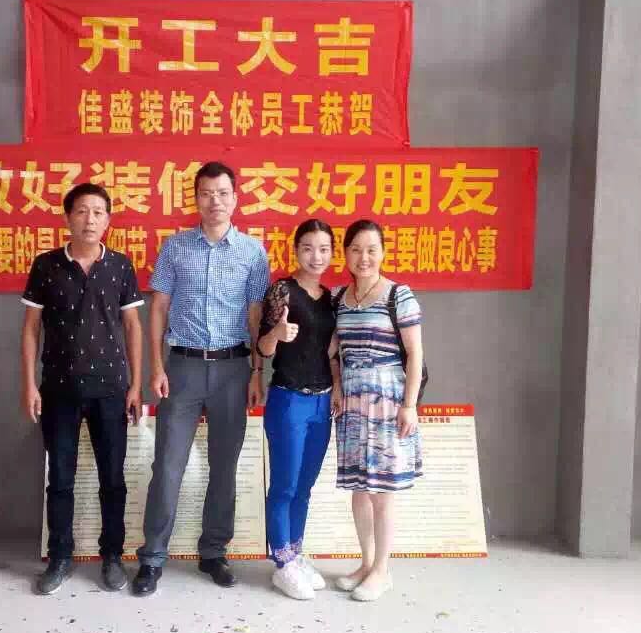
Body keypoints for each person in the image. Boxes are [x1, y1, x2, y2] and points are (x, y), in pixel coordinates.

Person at [132, 161, 270, 597]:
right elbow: (158, 308)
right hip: (183, 368)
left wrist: (256, 371)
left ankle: (213, 552)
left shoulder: (253, 252)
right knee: (167, 465)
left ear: (236, 198)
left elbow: (256, 316)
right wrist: (157, 367)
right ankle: (152, 557)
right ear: (195, 198)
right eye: (207, 193)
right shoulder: (175, 248)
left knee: (224, 466)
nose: (215, 201)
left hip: (233, 369)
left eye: (223, 193)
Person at [21, 182, 144, 595]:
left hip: (111, 389)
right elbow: (31, 329)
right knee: (60, 479)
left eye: (98, 212)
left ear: (108, 220)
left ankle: (112, 557)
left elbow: (133, 327)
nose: (90, 219)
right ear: (68, 217)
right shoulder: (46, 265)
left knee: (113, 479)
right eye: (82, 211)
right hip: (58, 388)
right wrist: (29, 385)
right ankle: (60, 556)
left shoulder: (120, 266)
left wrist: (135, 385)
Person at [331, 219, 425, 602]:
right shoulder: (339, 298)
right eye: (356, 249)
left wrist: (410, 405)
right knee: (359, 489)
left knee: (382, 492)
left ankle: (383, 571)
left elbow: (415, 353)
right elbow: (333, 352)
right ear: (346, 254)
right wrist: (337, 386)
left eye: (371, 249)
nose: (364, 257)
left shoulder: (398, 296)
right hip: (352, 404)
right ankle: (366, 563)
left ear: (383, 252)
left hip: (388, 401)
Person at [255, 219, 340, 600]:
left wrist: (337, 388)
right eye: (308, 248)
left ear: (332, 253)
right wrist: (277, 334)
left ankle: (295, 552)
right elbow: (263, 348)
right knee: (285, 485)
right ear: (296, 251)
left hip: (322, 402)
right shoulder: (282, 291)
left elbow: (332, 353)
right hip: (288, 399)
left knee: (304, 485)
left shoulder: (330, 298)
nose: (316, 256)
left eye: (323, 249)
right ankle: (282, 563)